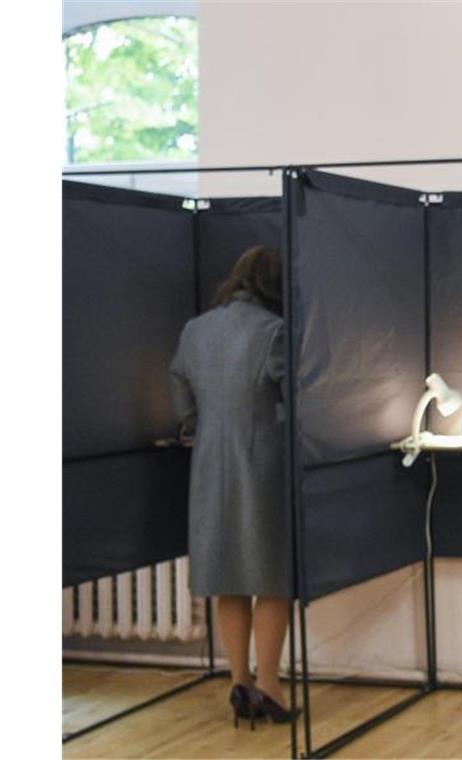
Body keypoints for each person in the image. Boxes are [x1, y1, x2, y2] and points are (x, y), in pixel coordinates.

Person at [169, 244, 300, 729]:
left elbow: (178, 383)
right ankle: (270, 685)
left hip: (208, 465)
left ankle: (239, 682)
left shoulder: (196, 329)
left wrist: (192, 423)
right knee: (272, 577)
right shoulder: (275, 332)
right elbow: (291, 401)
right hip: (262, 465)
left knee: (227, 576)